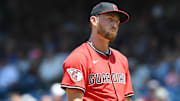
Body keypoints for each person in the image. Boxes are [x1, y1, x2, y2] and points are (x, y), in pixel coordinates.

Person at [61, 1, 134, 101]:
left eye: (117, 21)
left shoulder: (121, 59)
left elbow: (126, 99)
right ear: (94, 20)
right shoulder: (78, 58)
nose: (115, 25)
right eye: (110, 19)